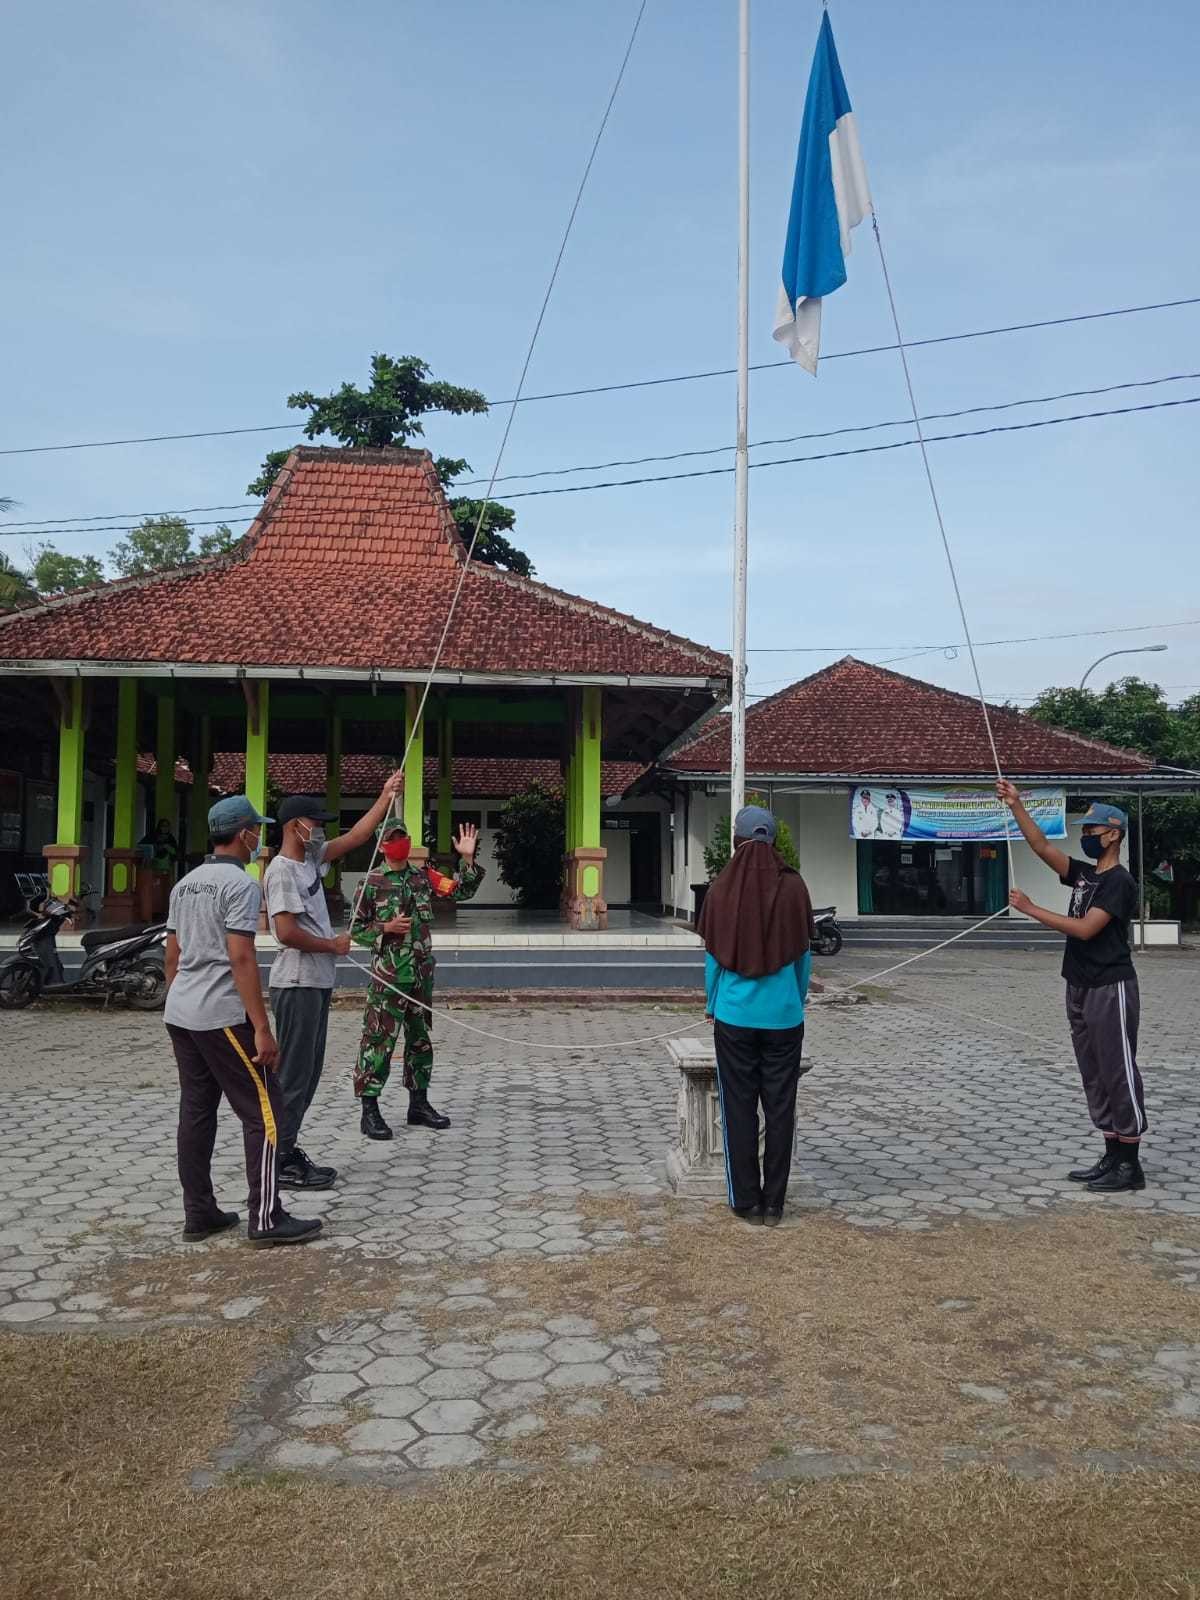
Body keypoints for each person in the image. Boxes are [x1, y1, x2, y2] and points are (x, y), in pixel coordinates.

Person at [164, 795, 322, 1247]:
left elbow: (172, 957)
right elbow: (241, 956)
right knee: (266, 1113)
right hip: (223, 1014)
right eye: (256, 830)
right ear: (242, 834)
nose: (260, 837)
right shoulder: (241, 885)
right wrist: (261, 1026)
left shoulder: (185, 884)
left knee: (196, 1112)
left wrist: (176, 1005)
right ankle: (267, 1216)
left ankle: (199, 1213)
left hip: (183, 1013)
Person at [998, 782, 1146, 1193]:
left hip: (1110, 985)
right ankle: (1111, 1151)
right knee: (1094, 1072)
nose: (1086, 838)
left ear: (1113, 834)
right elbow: (1042, 847)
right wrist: (1015, 804)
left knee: (1118, 1070)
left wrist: (1031, 910)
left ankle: (1130, 1163)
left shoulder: (1118, 881)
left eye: (1092, 832)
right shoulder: (1084, 875)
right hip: (1078, 983)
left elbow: (1086, 929)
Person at [263, 772, 404, 1191]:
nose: (320, 830)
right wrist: (332, 945)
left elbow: (359, 836)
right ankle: (278, 1158)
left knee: (308, 1073)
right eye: (315, 823)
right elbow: (284, 931)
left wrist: (385, 794)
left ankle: (286, 1151)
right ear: (295, 827)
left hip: (316, 982)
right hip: (298, 983)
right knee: (294, 1075)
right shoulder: (282, 871)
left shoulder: (310, 858)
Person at [698, 804, 816, 1228]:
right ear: (771, 840)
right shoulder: (794, 887)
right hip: (784, 1018)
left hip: (734, 1017)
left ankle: (745, 1201)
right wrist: (793, 999)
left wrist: (712, 1003)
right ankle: (774, 1205)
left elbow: (713, 960)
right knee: (781, 1108)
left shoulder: (721, 889)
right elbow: (804, 958)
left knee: (739, 1106)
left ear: (738, 839)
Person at [350, 817, 483, 1139]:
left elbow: (460, 891)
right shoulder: (371, 882)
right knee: (378, 1042)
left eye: (403, 836)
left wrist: (466, 858)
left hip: (420, 976)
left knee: (420, 1041)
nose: (400, 842)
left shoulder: (423, 877)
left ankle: (418, 1105)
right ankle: (370, 1112)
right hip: (390, 976)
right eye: (393, 838)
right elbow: (356, 930)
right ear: (382, 845)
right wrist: (385, 929)